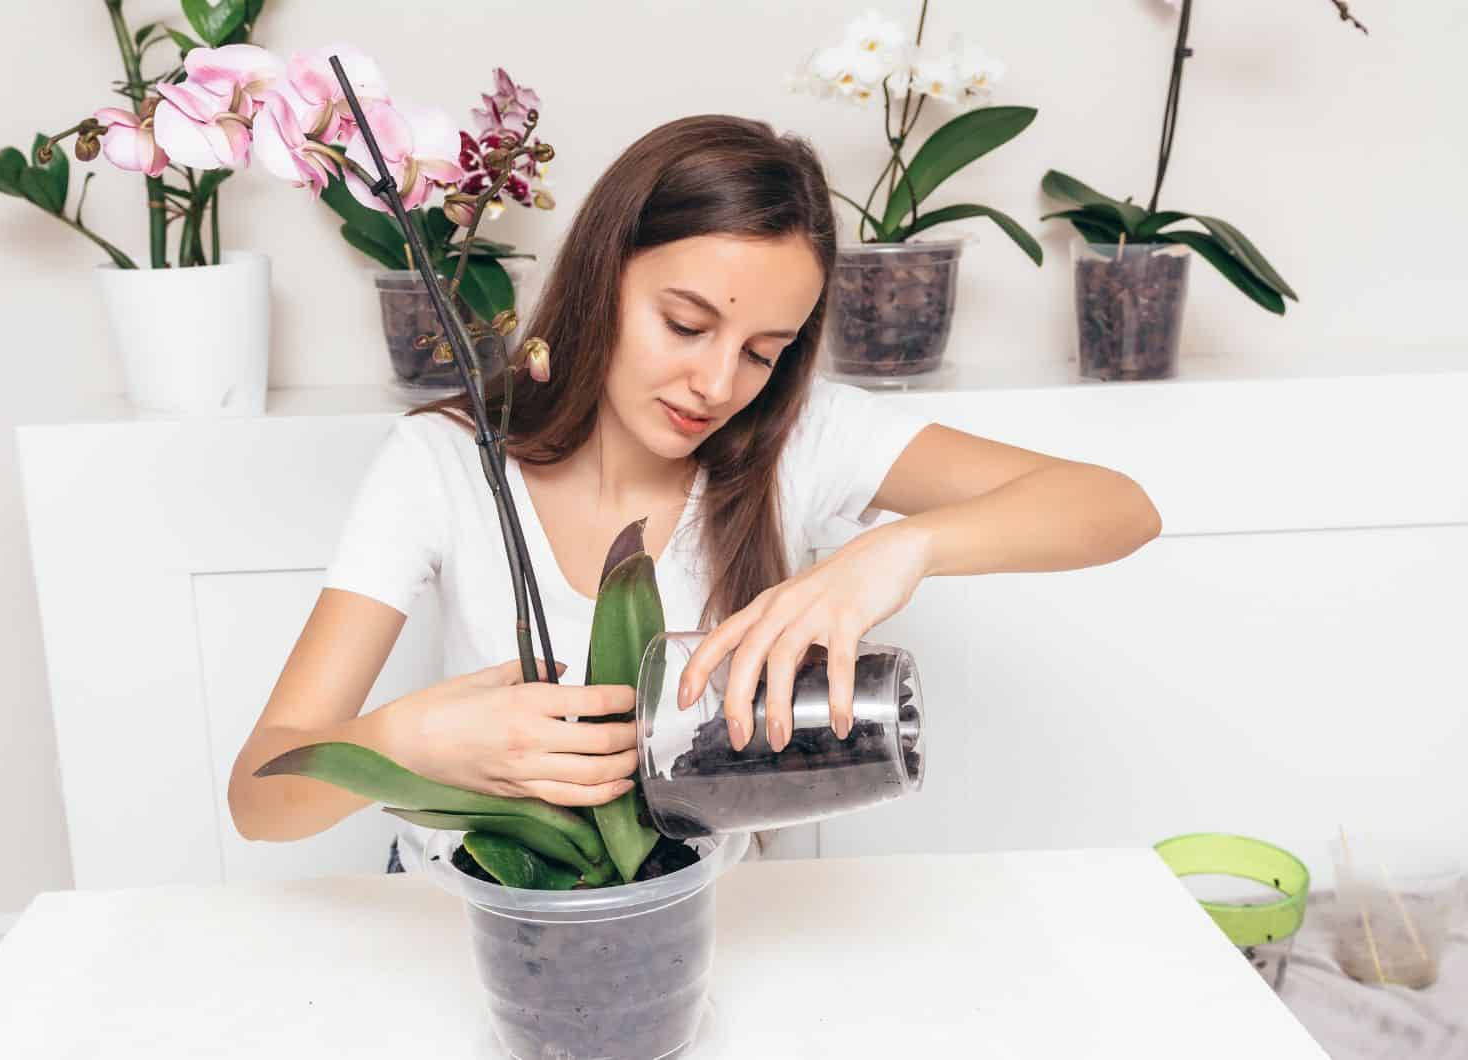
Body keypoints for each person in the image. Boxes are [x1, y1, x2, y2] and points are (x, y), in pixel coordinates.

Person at [227, 114, 1162, 870]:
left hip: (715, 919)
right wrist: (411, 741)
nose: (718, 384)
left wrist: (893, 553)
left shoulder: (798, 436)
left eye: (763, 352)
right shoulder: (443, 461)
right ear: (602, 276)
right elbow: (260, 799)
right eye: (685, 324)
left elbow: (1118, 506)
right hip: (468, 916)